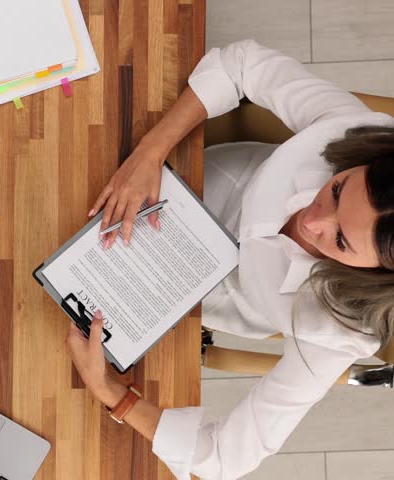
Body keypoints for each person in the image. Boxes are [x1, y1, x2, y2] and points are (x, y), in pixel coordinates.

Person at [66, 39, 394, 479]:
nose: (312, 222)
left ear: (372, 276)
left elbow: (225, 458)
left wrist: (112, 394)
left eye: (340, 241)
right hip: (172, 177)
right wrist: (150, 152)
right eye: (337, 190)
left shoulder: (337, 333)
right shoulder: (349, 129)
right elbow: (243, 64)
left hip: (184, 294)